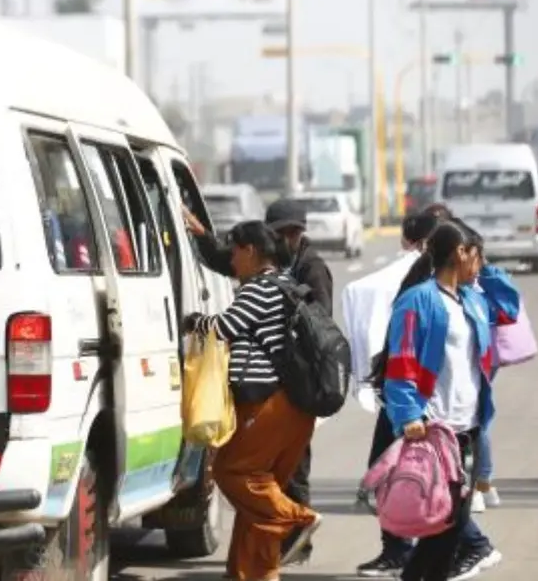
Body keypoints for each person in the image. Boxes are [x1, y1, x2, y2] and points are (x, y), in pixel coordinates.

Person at [184, 198, 331, 562]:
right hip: (288, 402)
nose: (232, 262)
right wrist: (204, 236)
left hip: (271, 400)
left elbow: (225, 327)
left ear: (250, 251)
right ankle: (251, 570)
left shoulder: (262, 287)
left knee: (231, 472)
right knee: (263, 489)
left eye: (235, 252)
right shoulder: (282, 280)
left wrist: (193, 322)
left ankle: (297, 519)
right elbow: (222, 263)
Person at [382, 220, 518, 581]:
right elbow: (402, 360)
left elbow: (508, 309)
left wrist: (484, 269)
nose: (481, 262)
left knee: (451, 526)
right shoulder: (419, 300)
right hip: (434, 429)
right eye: (478, 254)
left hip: (469, 427)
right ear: (460, 252)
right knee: (442, 523)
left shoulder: (471, 299)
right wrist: (409, 413)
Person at [347, 206, 453, 577]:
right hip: (424, 399)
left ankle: (413, 552)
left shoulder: (421, 286)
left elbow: (402, 353)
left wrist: (406, 410)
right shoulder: (429, 282)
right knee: (421, 477)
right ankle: (411, 551)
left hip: (413, 400)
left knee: (400, 474)